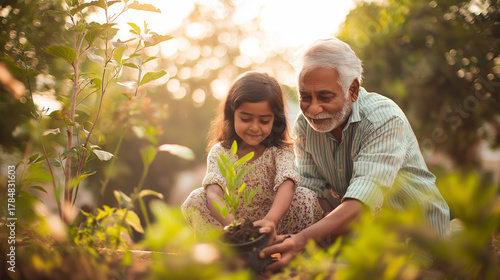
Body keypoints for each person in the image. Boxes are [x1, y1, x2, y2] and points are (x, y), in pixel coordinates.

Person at [259, 38, 450, 272]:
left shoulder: (383, 119)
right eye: (305, 97)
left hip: (417, 237)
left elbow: (361, 202)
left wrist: (303, 241)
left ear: (353, 90)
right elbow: (312, 194)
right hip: (362, 237)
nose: (312, 108)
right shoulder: (304, 126)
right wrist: (298, 237)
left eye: (325, 97)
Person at [181, 71, 323, 236]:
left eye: (264, 121)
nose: (255, 127)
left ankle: (290, 246)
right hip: (231, 222)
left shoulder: (280, 151)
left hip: (276, 221)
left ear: (275, 120)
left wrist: (270, 221)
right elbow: (214, 192)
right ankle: (219, 251)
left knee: (304, 196)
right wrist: (235, 228)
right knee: (198, 197)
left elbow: (287, 185)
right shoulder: (222, 152)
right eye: (246, 119)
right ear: (231, 115)